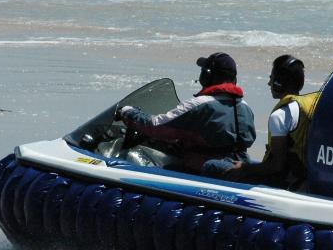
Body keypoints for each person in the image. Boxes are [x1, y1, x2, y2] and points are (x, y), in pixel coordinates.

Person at [117, 52, 255, 176]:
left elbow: (156, 126)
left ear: (206, 75)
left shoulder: (200, 104)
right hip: (235, 167)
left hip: (202, 169)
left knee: (149, 173)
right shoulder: (245, 108)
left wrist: (128, 113)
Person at [227, 54, 320, 187]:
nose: (269, 83)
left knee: (213, 166)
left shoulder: (280, 115)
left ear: (278, 83)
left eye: (272, 78)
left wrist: (244, 169)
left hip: (283, 181)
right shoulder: (311, 104)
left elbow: (276, 166)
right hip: (304, 176)